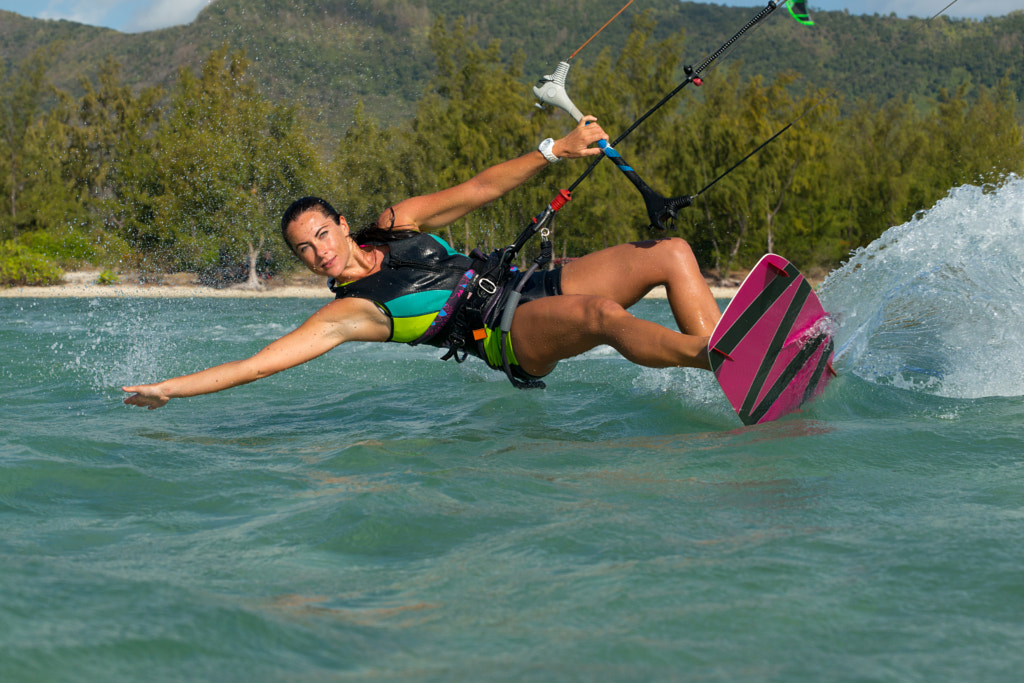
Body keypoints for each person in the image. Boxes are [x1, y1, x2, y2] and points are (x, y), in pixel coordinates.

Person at [122, 116, 721, 410]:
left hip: (522, 280)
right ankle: (719, 357)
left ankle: (733, 365)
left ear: (338, 221)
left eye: (322, 233)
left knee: (670, 253)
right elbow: (257, 366)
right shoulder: (350, 312)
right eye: (304, 249)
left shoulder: (397, 220)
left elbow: (480, 189)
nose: (319, 251)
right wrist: (170, 389)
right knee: (599, 315)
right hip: (504, 333)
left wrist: (554, 150)